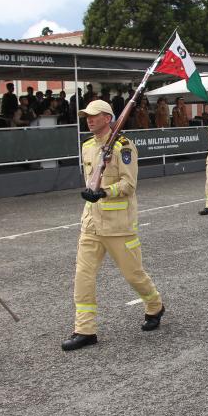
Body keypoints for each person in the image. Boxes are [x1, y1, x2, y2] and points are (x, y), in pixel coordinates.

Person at [63, 100, 164, 351]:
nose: (89, 119)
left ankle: (155, 305)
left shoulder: (123, 146)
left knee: (133, 274)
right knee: (83, 277)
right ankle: (85, 330)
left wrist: (105, 192)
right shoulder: (87, 147)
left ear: (108, 118)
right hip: (91, 224)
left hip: (119, 225)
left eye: (94, 116)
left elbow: (129, 185)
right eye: (86, 116)